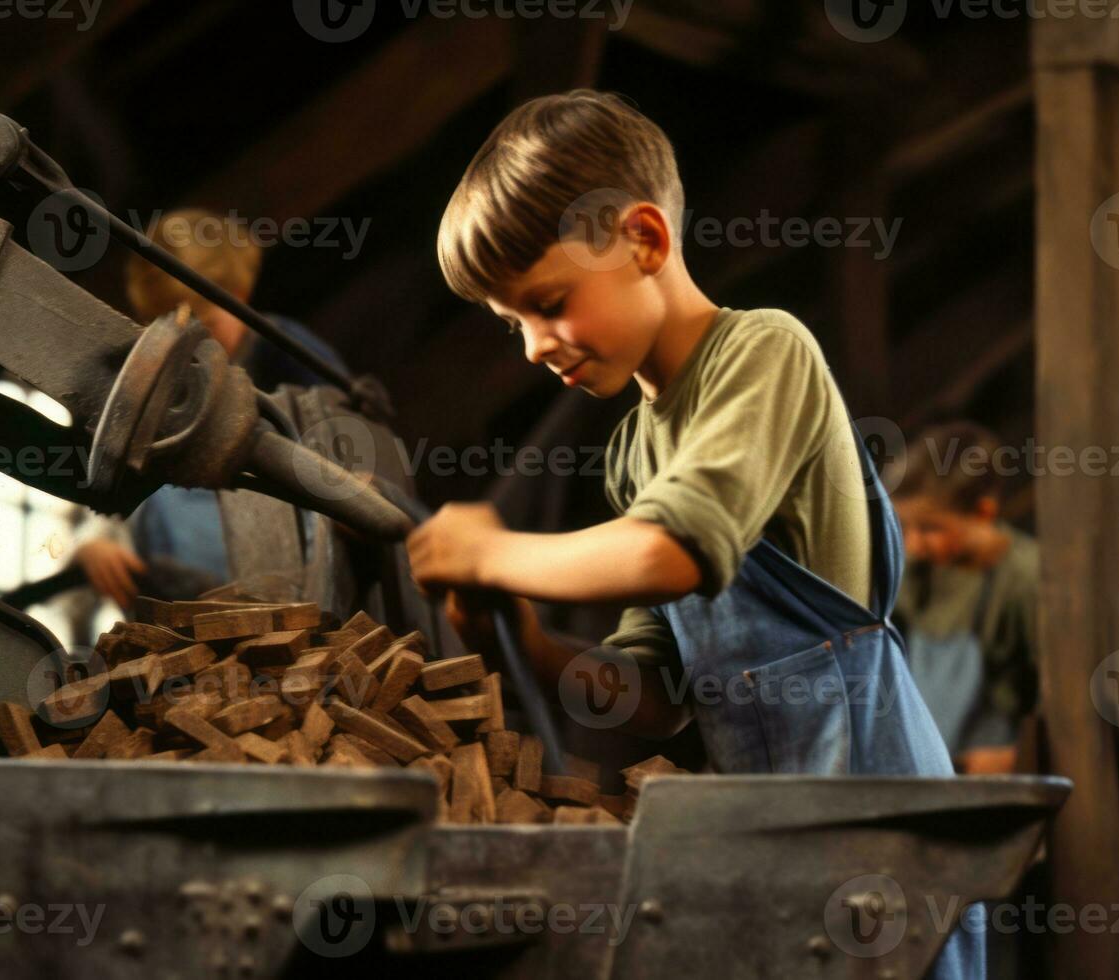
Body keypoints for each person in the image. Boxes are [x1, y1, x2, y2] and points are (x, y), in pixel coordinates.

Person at [404, 89, 984, 977]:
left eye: (548, 302)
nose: (532, 347)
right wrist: (529, 641)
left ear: (644, 240)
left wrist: (494, 550)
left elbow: (672, 552)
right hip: (764, 832)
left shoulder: (764, 353)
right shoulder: (633, 452)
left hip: (871, 819)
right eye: (511, 322)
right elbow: (655, 695)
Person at [73, 208, 349, 608]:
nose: (196, 348)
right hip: (185, 581)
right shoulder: (153, 374)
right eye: (173, 330)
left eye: (208, 325)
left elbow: (348, 432)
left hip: (289, 564)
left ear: (238, 297)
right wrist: (94, 538)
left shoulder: (287, 352)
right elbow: (111, 461)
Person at [892, 422, 1040, 775]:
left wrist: (1017, 758)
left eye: (930, 529)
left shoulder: (1027, 581)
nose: (912, 545)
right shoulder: (915, 573)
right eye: (904, 527)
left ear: (984, 512)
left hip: (989, 783)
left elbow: (1063, 710)